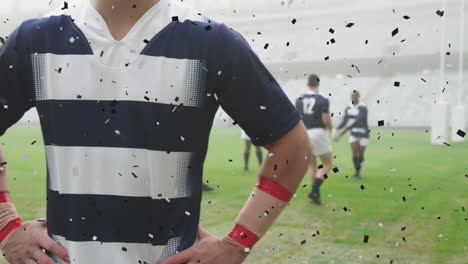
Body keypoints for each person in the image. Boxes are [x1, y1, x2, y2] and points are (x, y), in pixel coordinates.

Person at [0, 0, 312, 263]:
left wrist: (237, 242)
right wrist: (6, 225)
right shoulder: (37, 39)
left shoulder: (210, 41)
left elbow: (293, 147)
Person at [295, 74, 332, 205]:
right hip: (318, 132)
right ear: (318, 83)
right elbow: (325, 118)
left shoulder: (299, 98)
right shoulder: (322, 98)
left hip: (305, 132)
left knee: (313, 167)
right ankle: (315, 188)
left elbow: (297, 118)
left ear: (307, 84)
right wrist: (330, 129)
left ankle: (315, 196)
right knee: (327, 164)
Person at [334, 90, 369, 179]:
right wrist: (337, 129)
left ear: (358, 96)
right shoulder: (348, 107)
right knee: (355, 152)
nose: (353, 97)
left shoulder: (362, 107)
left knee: (361, 153)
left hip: (363, 132)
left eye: (355, 95)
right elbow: (345, 120)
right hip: (354, 132)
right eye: (352, 95)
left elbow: (359, 120)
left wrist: (346, 129)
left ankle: (358, 170)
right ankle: (357, 173)